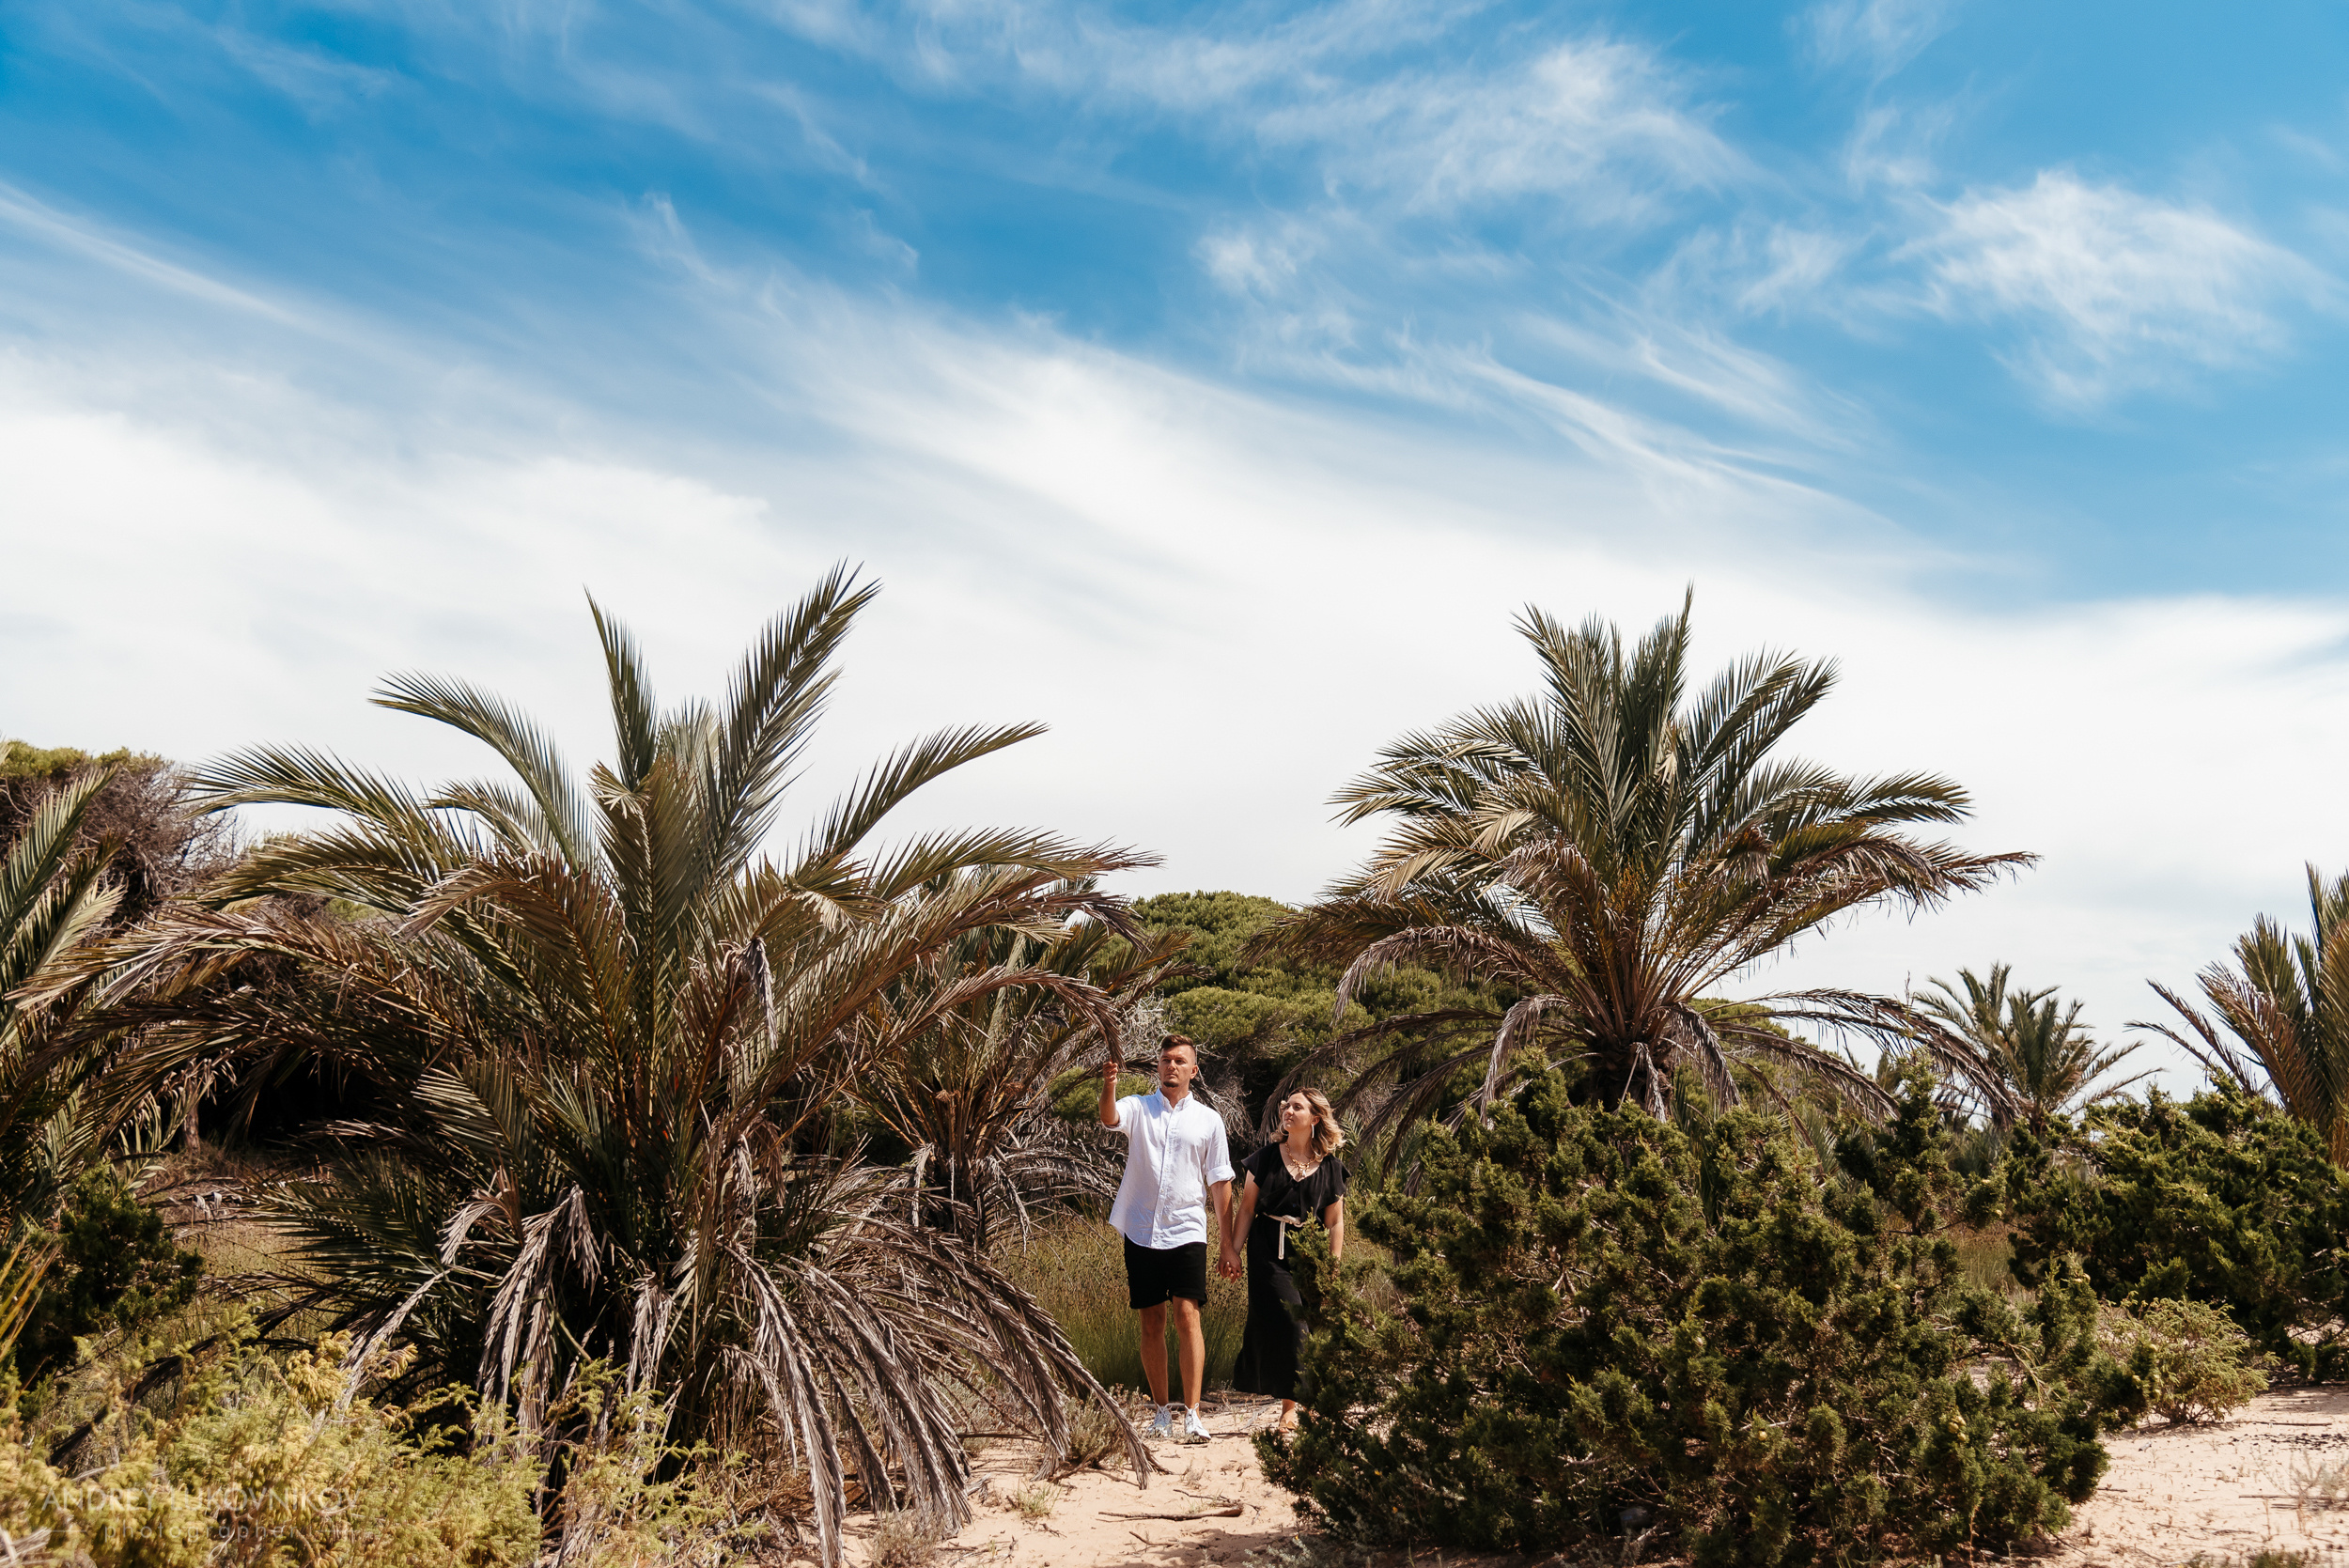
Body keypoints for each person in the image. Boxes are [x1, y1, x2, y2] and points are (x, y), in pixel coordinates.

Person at [1099, 1032, 1234, 1443]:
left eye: (1179, 1061)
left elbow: (1221, 1182)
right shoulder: (1139, 1108)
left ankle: (1192, 1414)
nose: (1170, 1067)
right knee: (1152, 1319)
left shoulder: (1209, 1120)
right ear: (1157, 1067)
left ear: (1194, 1070)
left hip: (1187, 1229)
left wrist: (1228, 1243)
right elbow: (1109, 1118)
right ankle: (1161, 1412)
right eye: (1164, 1060)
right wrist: (1109, 1085)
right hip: (1140, 1229)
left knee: (1186, 1315)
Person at [1220, 1087, 1346, 1436]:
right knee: (1292, 1325)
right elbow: (1246, 1208)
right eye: (1285, 1106)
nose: (1288, 1111)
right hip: (1268, 1250)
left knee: (1312, 1325)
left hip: (1311, 1253)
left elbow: (1335, 1222)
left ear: (1315, 1118)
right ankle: (1290, 1409)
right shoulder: (1265, 1158)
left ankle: (1312, 1404)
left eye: (1297, 1107)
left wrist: (1332, 1266)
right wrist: (1231, 1250)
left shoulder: (1331, 1167)